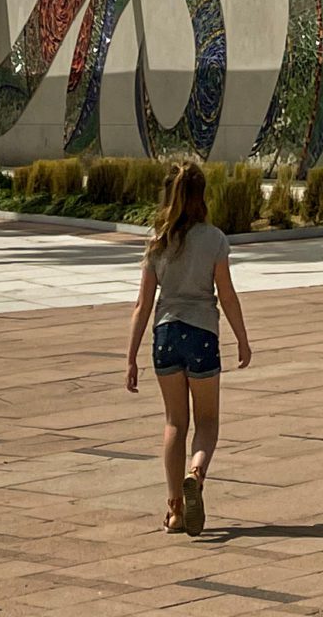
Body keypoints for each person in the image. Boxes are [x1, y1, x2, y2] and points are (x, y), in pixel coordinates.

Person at [125, 160, 252, 535]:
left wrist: (131, 357)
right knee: (207, 421)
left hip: (165, 337)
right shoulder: (214, 239)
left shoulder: (158, 241)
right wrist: (242, 339)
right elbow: (226, 294)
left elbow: (142, 305)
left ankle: (175, 510)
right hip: (202, 335)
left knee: (173, 423)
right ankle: (196, 472)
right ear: (202, 195)